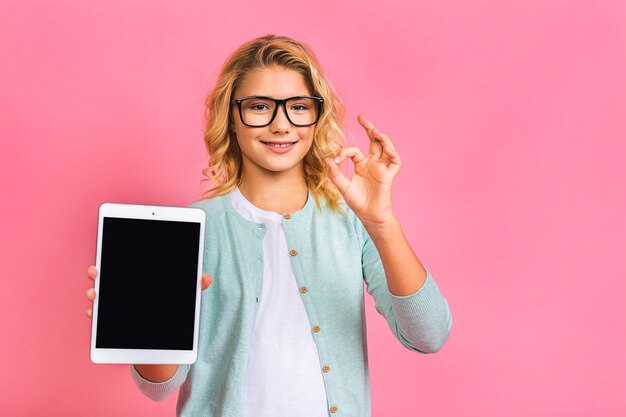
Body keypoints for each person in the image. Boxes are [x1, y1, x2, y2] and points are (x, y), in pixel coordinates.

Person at [85, 34, 452, 417]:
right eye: (260, 107)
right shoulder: (193, 230)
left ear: (317, 116)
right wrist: (146, 327)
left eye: (297, 106)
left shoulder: (352, 222)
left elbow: (429, 335)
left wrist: (382, 222)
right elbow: (159, 386)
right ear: (232, 117)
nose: (281, 125)